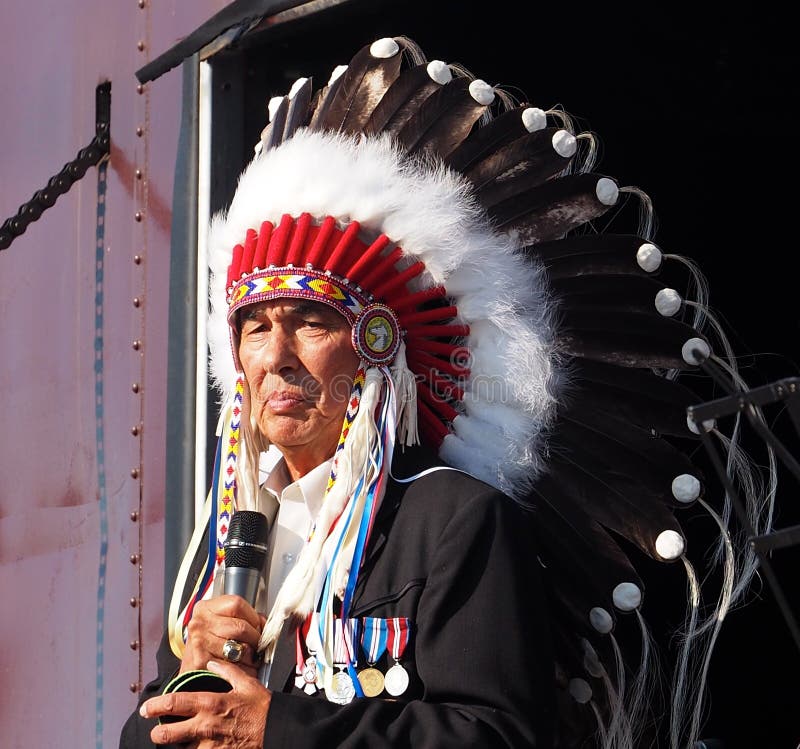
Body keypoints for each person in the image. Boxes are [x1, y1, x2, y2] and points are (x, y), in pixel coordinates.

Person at [121, 34, 769, 749]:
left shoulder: (454, 519)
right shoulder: (225, 541)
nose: (275, 356)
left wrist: (279, 730)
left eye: (309, 321)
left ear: (375, 348)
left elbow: (495, 735)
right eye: (254, 328)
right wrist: (189, 670)